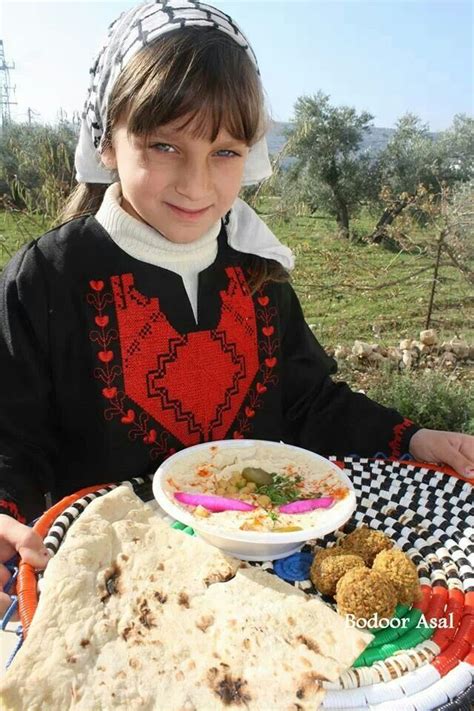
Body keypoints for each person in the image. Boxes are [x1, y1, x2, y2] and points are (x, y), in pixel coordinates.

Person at [0, 0, 472, 616]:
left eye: (225, 152)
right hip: (115, 596)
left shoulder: (259, 274)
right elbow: (14, 437)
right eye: (165, 145)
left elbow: (306, 404)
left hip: (262, 593)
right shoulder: (47, 279)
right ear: (107, 141)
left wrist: (414, 439)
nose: (197, 185)